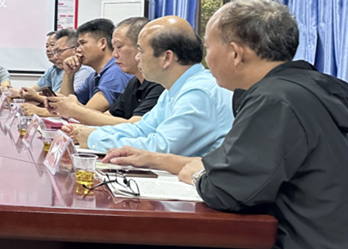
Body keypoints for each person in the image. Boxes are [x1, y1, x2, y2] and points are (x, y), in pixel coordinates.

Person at [103, 0, 348, 249]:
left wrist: (197, 175)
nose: (205, 59)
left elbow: (224, 189)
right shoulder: (315, 87)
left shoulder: (275, 101)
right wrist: (170, 163)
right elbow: (227, 166)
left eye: (208, 47)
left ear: (235, 53)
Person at [64, 16, 233, 155]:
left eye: (141, 51)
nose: (138, 58)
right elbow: (141, 129)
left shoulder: (198, 93)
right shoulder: (173, 90)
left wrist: (94, 139)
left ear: (166, 57)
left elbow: (161, 147)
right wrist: (90, 133)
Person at [48, 17, 164, 126]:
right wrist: (69, 77)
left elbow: (136, 126)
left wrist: (73, 109)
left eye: (119, 47)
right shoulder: (134, 82)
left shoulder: (118, 73)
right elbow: (106, 116)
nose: (115, 54)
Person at [58, 19, 132, 112]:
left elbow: (84, 114)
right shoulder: (94, 76)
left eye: (83, 43)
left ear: (102, 43)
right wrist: (69, 74)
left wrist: (41, 111)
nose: (78, 50)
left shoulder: (116, 72)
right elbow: (65, 104)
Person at [21, 29, 93, 103]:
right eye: (55, 52)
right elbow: (63, 103)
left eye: (59, 51)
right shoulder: (59, 68)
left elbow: (65, 103)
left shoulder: (85, 70)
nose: (55, 57)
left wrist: (36, 98)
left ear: (75, 50)